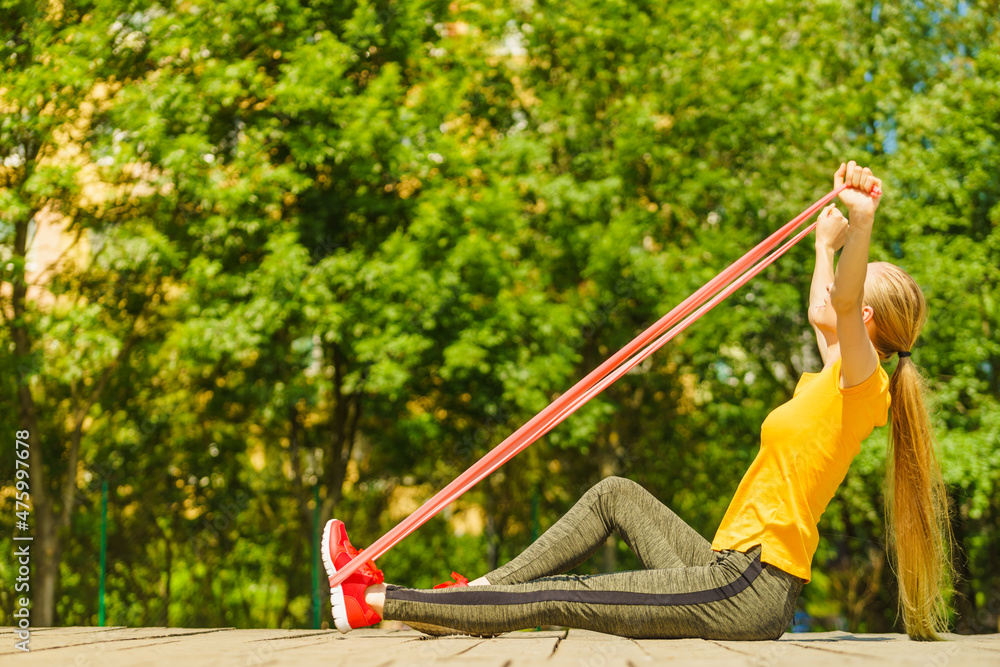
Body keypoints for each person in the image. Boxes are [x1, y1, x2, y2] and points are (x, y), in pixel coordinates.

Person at [322, 161, 953, 641]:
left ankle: (376, 603)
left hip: (747, 589)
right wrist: (824, 244)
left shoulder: (866, 385)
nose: (838, 291)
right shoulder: (832, 379)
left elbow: (838, 306)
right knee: (613, 493)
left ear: (867, 319)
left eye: (852, 281)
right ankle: (480, 593)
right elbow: (825, 309)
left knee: (566, 595)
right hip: (725, 566)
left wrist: (862, 223)